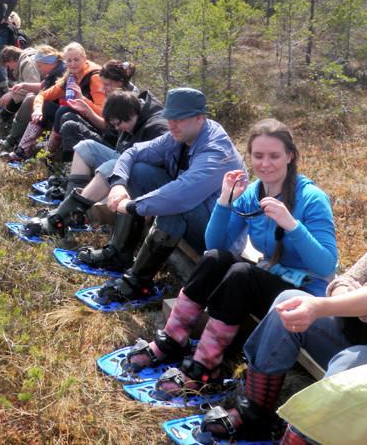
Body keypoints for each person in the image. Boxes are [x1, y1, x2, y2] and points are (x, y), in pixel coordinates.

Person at [196, 162, 367, 444]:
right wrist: (342, 301)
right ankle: (255, 409)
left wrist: (323, 307)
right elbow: (349, 278)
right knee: (289, 301)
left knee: (350, 366)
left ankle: (299, 436)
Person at [124, 119, 338, 396]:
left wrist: (292, 225)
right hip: (271, 278)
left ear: (290, 156)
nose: (265, 164)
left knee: (242, 275)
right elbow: (215, 245)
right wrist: (225, 202)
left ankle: (205, 366)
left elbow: (325, 264)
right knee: (216, 259)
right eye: (258, 156)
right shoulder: (254, 192)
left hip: (304, 295)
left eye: (274, 156)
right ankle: (173, 339)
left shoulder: (311, 198)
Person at [88, 88, 245, 304]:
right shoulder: (178, 136)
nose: (172, 124)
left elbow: (179, 196)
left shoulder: (216, 152)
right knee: (138, 170)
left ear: (200, 117)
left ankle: (138, 282)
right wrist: (118, 184)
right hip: (195, 213)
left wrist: (132, 206)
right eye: (169, 118)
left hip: (220, 238)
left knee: (172, 207)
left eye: (179, 119)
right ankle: (119, 255)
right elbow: (132, 152)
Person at [23, 88, 167, 237]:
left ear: (130, 114)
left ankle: (63, 219)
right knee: (86, 148)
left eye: (118, 124)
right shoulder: (129, 114)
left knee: (112, 166)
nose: (117, 128)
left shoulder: (158, 127)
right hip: (127, 162)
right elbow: (114, 138)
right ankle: (65, 209)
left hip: (148, 178)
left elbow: (166, 167)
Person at [1, 42, 103, 163]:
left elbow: (102, 112)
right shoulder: (70, 76)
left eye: (76, 59)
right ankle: (22, 150)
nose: (73, 64)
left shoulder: (94, 77)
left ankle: (48, 155)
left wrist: (83, 100)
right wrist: (38, 109)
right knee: (46, 107)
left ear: (84, 58)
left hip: (97, 123)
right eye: (69, 61)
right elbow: (42, 94)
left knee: (63, 110)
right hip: (76, 117)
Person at [56, 60, 138, 164]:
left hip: (116, 149)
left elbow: (112, 130)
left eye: (107, 84)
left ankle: (70, 167)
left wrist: (88, 110)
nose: (104, 88)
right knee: (67, 116)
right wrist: (86, 109)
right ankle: (63, 161)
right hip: (108, 137)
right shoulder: (116, 93)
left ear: (120, 82)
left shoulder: (127, 100)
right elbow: (108, 127)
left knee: (70, 126)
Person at [0, 46, 66, 152]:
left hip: (58, 107)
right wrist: (23, 85)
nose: (40, 70)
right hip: (53, 104)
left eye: (40, 66)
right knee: (30, 98)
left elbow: (48, 92)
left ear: (47, 62)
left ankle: (18, 145)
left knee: (30, 100)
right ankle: (19, 145)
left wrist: (37, 104)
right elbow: (42, 86)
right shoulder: (55, 69)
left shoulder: (61, 71)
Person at [0, 45, 40, 116]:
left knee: (10, 107)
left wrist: (12, 94)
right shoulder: (24, 61)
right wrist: (13, 90)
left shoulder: (28, 63)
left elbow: (34, 84)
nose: (10, 69)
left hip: (46, 94)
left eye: (8, 65)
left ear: (12, 59)